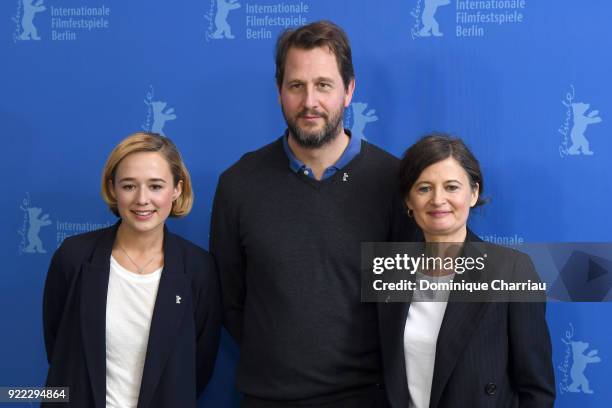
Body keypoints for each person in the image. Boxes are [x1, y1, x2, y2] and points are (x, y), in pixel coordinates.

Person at [210, 20, 414, 407]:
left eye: (323, 85)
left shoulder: (394, 183)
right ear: (279, 91)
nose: (310, 102)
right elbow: (229, 300)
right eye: (296, 86)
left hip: (368, 398)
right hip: (267, 398)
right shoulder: (238, 184)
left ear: (349, 90)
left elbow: (404, 303)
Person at [43, 132, 222, 408]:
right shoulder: (73, 257)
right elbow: (58, 347)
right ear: (113, 189)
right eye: (129, 186)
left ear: (176, 189)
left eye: (155, 186)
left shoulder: (199, 269)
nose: (142, 199)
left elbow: (198, 366)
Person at [378, 134, 555, 408]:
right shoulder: (389, 271)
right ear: (408, 200)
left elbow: (536, 390)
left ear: (473, 193)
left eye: (451, 187)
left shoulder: (512, 270)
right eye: (424, 188)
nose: (438, 200)